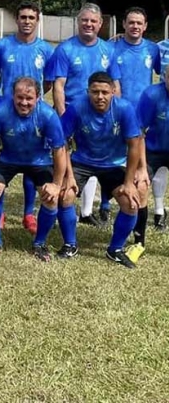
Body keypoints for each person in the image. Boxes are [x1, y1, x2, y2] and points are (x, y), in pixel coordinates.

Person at [59, 72, 148, 268]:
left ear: (113, 92)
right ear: (87, 91)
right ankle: (69, 245)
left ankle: (114, 249)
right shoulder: (76, 108)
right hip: (81, 161)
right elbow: (62, 142)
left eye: (105, 92)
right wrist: (69, 176)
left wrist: (128, 182)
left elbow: (134, 144)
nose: (100, 96)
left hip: (113, 164)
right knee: (65, 196)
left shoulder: (124, 109)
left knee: (131, 203)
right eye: (95, 92)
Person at [0, 77, 67, 259]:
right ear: (13, 96)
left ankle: (40, 243)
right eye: (20, 98)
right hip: (6, 159)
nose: (24, 102)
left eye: (29, 98)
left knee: (50, 198)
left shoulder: (48, 115)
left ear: (38, 97)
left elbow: (60, 150)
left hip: (39, 161)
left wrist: (56, 184)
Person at [0, 1, 54, 234]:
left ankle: (28, 214)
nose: (27, 21)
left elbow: (49, 81)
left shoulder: (46, 49)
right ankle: (1, 212)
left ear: (37, 20)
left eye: (31, 18)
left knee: (32, 163)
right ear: (16, 20)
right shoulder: (3, 46)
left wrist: (33, 99)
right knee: (3, 162)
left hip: (33, 116)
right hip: (6, 116)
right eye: (23, 17)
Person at [51, 3, 119, 228]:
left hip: (100, 116)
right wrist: (63, 118)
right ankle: (62, 206)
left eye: (93, 21)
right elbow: (59, 86)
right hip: (74, 116)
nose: (88, 24)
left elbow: (115, 85)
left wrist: (113, 115)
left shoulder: (108, 50)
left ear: (100, 24)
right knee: (73, 162)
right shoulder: (65, 49)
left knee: (93, 159)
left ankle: (87, 211)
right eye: (84, 20)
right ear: (78, 22)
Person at [111, 7, 165, 229]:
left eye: (139, 23)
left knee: (142, 161)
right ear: (123, 24)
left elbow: (164, 74)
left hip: (145, 116)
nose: (134, 26)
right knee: (113, 158)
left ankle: (156, 210)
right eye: (131, 22)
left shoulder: (154, 49)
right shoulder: (112, 47)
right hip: (119, 112)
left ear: (145, 26)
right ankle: (105, 206)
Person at [135, 66, 169, 257]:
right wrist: (140, 167)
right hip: (152, 151)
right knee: (139, 186)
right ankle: (139, 242)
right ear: (165, 77)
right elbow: (139, 131)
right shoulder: (151, 95)